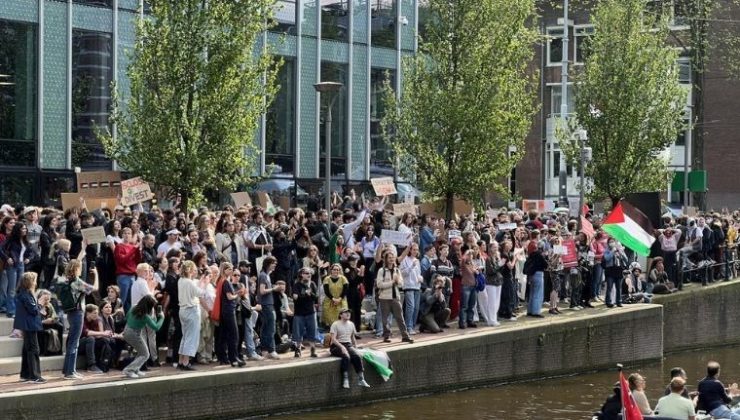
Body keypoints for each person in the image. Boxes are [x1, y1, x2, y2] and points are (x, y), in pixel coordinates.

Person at [60, 258, 98, 380]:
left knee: (72, 341)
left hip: (71, 313)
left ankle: (68, 370)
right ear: (76, 269)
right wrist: (96, 275)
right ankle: (70, 372)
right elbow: (94, 288)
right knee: (74, 343)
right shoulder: (77, 281)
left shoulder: (67, 280)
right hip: (78, 313)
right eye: (80, 267)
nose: (82, 269)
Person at [121, 295, 164, 379]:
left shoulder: (134, 307)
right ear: (149, 306)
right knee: (145, 354)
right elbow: (156, 327)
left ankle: (136, 369)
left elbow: (127, 317)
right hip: (134, 334)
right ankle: (129, 370)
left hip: (127, 330)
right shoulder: (145, 316)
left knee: (141, 352)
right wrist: (162, 317)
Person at [375, 250, 413, 344]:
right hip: (384, 297)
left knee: (400, 317)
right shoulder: (382, 270)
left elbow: (401, 284)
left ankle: (405, 336)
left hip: (395, 297)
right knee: (385, 319)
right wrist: (392, 282)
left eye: (393, 257)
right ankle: (386, 336)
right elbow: (379, 284)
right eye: (389, 258)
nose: (392, 259)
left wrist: (398, 281)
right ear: (386, 259)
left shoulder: (397, 270)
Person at [14, 272, 46, 383]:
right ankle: (35, 376)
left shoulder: (23, 293)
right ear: (30, 282)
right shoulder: (26, 294)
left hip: (27, 325)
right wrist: (41, 303)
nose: (36, 282)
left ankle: (25, 374)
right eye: (34, 280)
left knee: (27, 349)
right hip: (29, 325)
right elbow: (34, 310)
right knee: (34, 349)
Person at [329, 308, 370, 389]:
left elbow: (352, 337)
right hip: (336, 345)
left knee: (357, 356)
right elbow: (333, 340)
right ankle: (345, 379)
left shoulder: (351, 324)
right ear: (340, 315)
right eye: (345, 313)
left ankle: (361, 379)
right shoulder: (335, 324)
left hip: (348, 345)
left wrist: (356, 347)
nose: (348, 314)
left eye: (349, 313)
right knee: (346, 356)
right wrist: (341, 347)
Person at [177, 260, 205, 371]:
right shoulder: (188, 282)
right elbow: (200, 293)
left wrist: (200, 282)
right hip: (191, 310)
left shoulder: (181, 280)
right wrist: (204, 283)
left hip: (183, 310)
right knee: (191, 337)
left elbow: (193, 287)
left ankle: (180, 361)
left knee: (185, 337)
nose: (195, 271)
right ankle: (185, 362)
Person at [257, 256, 283, 359]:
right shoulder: (263, 276)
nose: (275, 265)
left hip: (268, 304)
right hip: (267, 304)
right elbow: (262, 291)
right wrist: (274, 288)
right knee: (271, 327)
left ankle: (264, 350)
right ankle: (271, 350)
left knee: (265, 328)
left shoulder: (266, 275)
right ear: (268, 264)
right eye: (273, 263)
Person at [292, 267, 319, 358]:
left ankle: (312, 349)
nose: (309, 275)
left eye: (310, 273)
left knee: (312, 331)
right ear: (301, 274)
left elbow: (315, 298)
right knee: (298, 332)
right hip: (299, 313)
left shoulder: (312, 284)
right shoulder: (296, 285)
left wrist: (310, 294)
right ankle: (298, 349)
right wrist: (304, 295)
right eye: (306, 273)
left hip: (311, 312)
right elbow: (295, 298)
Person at [322, 263, 349, 327]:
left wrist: (339, 299)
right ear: (331, 270)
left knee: (342, 317)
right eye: (334, 269)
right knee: (330, 319)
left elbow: (345, 290)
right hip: (330, 301)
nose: (336, 271)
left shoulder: (343, 279)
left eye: (338, 270)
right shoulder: (327, 279)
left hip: (341, 300)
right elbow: (326, 291)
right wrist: (333, 299)